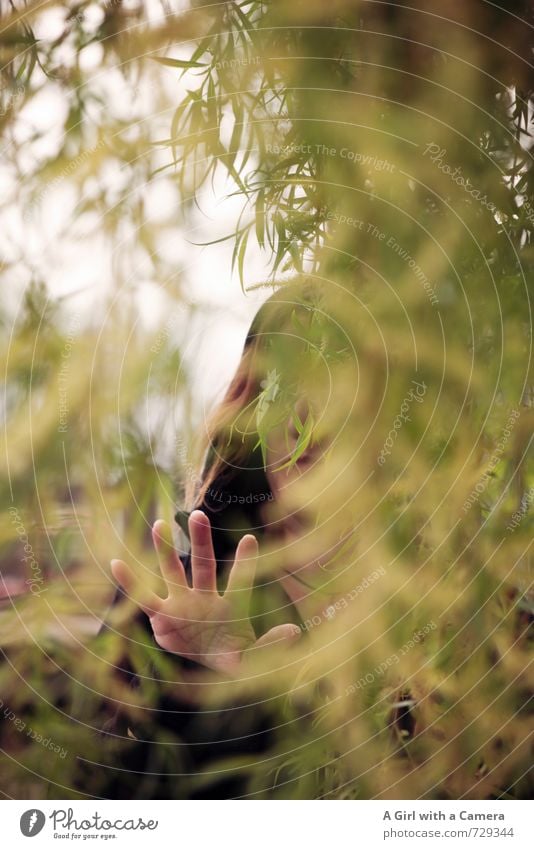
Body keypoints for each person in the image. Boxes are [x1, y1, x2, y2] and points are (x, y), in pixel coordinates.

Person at [94, 279, 360, 798]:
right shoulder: (178, 580)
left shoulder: (462, 594)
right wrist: (201, 689)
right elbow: (103, 788)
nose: (307, 415)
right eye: (285, 382)